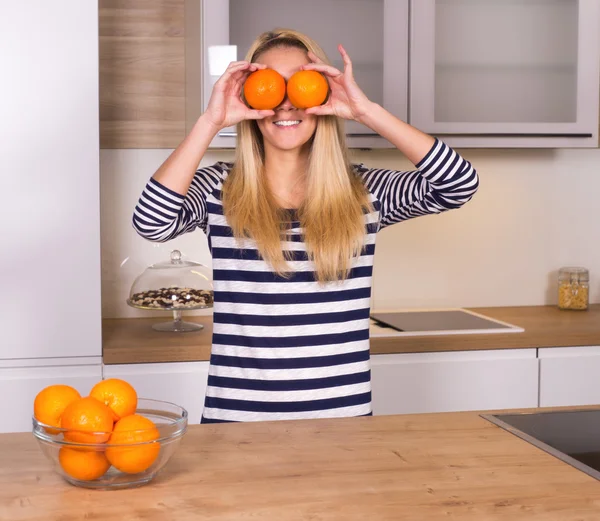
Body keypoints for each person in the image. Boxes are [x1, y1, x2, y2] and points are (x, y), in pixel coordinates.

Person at [132, 29, 479, 423]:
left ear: (321, 93)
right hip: (236, 424)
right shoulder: (219, 190)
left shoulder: (364, 193)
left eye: (299, 85)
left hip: (342, 426)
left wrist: (366, 111)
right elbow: (151, 222)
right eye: (269, 87)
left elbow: (459, 185)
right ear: (248, 96)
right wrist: (211, 121)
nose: (284, 104)